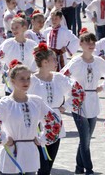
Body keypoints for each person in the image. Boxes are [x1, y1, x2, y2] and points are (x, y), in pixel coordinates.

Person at [0, 61, 62, 175]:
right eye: (22, 78)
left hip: (30, 154)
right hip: (11, 153)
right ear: (13, 81)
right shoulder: (6, 103)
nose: (26, 82)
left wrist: (41, 139)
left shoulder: (36, 101)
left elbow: (54, 122)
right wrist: (4, 139)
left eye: (28, 78)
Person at [60, 29, 105, 175]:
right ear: (81, 44)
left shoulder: (99, 61)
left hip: (93, 101)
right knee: (85, 138)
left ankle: (79, 168)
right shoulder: (75, 62)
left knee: (85, 140)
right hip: (78, 103)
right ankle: (89, 169)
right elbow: (62, 78)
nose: (91, 45)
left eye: (93, 42)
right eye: (87, 42)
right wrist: (72, 91)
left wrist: (103, 87)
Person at [28, 43, 75, 174]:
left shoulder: (59, 78)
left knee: (48, 165)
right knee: (40, 165)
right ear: (44, 62)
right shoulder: (31, 80)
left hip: (55, 125)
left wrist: (65, 106)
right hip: (37, 126)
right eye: (54, 59)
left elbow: (77, 91)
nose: (56, 61)